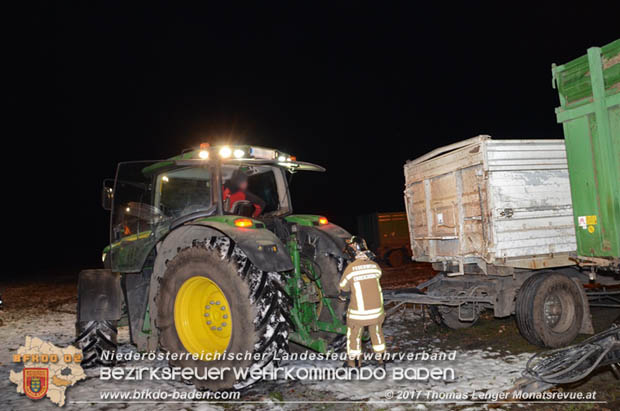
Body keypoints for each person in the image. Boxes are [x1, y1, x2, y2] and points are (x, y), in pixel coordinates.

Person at [338, 236, 386, 368]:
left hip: (358, 315)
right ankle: (381, 362)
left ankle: (354, 364)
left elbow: (343, 288)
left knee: (354, 337)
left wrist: (342, 296)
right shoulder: (375, 266)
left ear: (352, 250)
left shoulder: (351, 269)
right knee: (377, 334)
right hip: (377, 313)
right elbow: (377, 276)